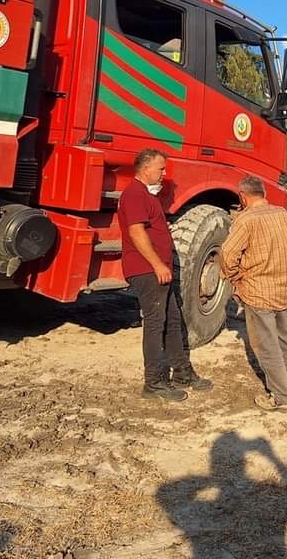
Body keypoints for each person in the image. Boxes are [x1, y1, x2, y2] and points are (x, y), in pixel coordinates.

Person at [118, 149, 211, 402]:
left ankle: (181, 371)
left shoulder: (145, 195)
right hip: (148, 271)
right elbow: (137, 232)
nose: (164, 173)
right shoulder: (134, 194)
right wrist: (158, 264)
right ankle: (154, 382)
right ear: (146, 168)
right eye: (161, 168)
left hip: (157, 270)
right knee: (156, 324)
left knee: (172, 320)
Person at [220, 175, 287, 411]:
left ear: (243, 197)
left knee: (267, 345)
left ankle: (281, 397)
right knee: (285, 337)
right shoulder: (280, 214)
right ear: (264, 194)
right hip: (282, 288)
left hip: (258, 290)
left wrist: (235, 277)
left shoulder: (245, 220)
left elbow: (227, 254)